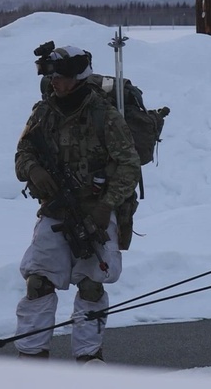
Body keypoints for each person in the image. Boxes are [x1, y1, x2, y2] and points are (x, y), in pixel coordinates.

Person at [14, 45, 141, 361]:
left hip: (95, 214)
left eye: (60, 76)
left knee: (91, 286)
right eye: (51, 75)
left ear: (78, 77)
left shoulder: (105, 116)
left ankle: (88, 357)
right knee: (38, 282)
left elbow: (129, 166)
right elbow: (22, 153)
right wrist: (34, 169)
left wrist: (105, 205)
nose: (54, 81)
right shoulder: (43, 112)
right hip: (56, 210)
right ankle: (30, 356)